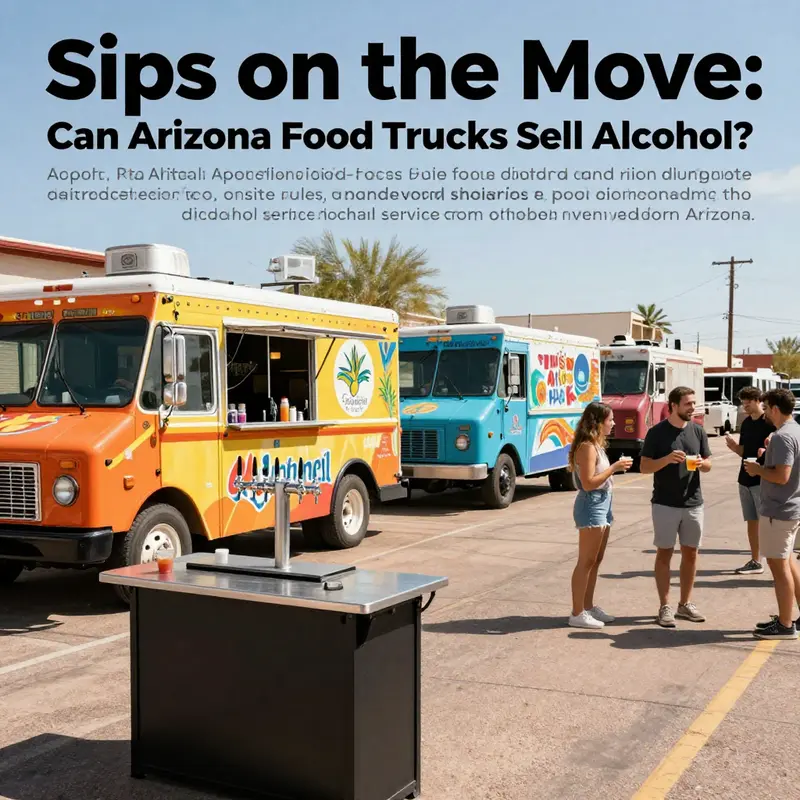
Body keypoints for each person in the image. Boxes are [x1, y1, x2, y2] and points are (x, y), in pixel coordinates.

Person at [640, 386, 712, 627]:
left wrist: (702, 463)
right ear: (673, 405)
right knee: (665, 553)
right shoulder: (656, 433)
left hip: (693, 503)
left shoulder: (698, 431)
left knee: (691, 553)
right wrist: (667, 459)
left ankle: (685, 604)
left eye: (693, 403)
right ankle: (665, 606)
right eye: (688, 403)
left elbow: (709, 464)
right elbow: (644, 467)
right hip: (665, 503)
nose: (692, 407)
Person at [568, 402, 633, 629]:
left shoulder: (597, 445)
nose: (613, 423)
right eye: (610, 420)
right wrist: (614, 468)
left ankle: (587, 606)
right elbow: (588, 483)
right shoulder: (587, 447)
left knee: (595, 560)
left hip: (604, 502)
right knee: (586, 561)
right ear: (597, 422)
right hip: (592, 503)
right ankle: (577, 613)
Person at [744, 388, 800, 640]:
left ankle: (785, 625)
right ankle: (789, 618)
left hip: (779, 510)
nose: (764, 413)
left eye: (766, 408)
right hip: (791, 507)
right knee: (788, 562)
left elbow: (782, 476)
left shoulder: (782, 436)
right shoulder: (795, 430)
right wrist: (767, 457)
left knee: (779, 568)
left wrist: (757, 469)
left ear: (776, 409)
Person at [724, 387, 775, 575]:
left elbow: (777, 451)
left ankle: (776, 563)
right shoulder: (746, 423)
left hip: (762, 479)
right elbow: (744, 451)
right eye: (743, 402)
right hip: (744, 479)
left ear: (758, 401)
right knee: (751, 522)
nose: (745, 406)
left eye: (748, 402)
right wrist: (734, 447)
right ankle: (756, 561)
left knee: (766, 523)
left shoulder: (769, 422)